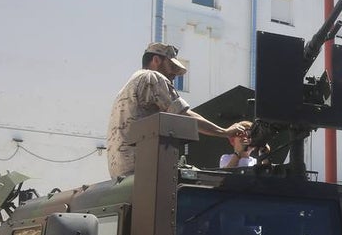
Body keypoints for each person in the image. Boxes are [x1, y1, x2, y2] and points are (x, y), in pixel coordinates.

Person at [106, 43, 247, 178]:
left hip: (122, 171)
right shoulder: (152, 77)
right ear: (156, 60)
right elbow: (184, 114)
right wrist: (225, 132)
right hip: (141, 168)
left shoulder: (128, 86)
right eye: (171, 66)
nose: (174, 75)